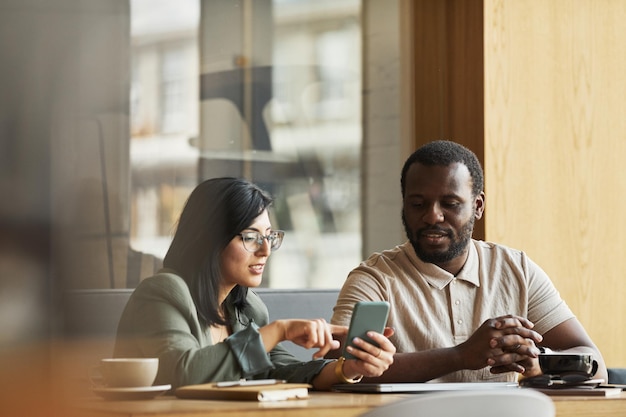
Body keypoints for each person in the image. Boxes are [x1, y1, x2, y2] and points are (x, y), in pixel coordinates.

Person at [330, 140, 607, 383]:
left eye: (450, 203)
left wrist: (539, 361)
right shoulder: (374, 278)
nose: (432, 216)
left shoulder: (516, 269)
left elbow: (595, 364)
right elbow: (336, 368)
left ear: (477, 207)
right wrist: (460, 356)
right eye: (418, 204)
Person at [113, 177, 395, 390]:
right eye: (250, 236)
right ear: (209, 240)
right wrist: (280, 330)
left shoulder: (246, 309)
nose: (265, 250)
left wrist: (347, 369)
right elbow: (185, 374)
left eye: (269, 236)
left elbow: (282, 370)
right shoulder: (163, 294)